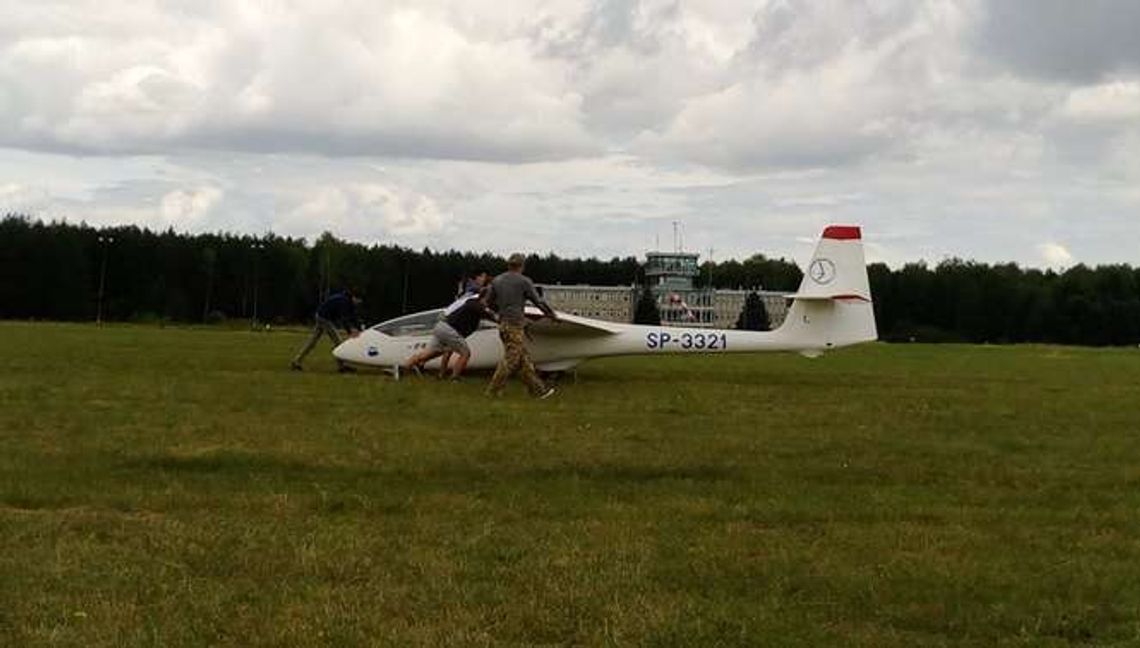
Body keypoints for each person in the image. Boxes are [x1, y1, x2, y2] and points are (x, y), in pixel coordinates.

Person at [485, 253, 558, 398]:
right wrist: (551, 315)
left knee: (523, 360)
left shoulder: (497, 280)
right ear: (522, 266)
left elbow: (488, 302)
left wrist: (499, 313)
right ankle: (492, 391)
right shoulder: (524, 281)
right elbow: (538, 301)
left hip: (503, 324)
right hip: (515, 325)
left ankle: (538, 391)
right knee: (511, 360)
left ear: (508, 264)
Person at [400, 287, 497, 380]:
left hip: (442, 327)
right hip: (449, 329)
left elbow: (486, 315)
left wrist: (494, 317)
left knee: (428, 355)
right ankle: (454, 377)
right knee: (465, 353)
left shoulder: (476, 307)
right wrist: (496, 317)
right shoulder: (473, 303)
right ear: (484, 297)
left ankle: (403, 369)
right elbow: (484, 311)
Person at [291, 289, 363, 372]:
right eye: (358, 300)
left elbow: (353, 317)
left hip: (321, 316)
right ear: (354, 297)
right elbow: (344, 319)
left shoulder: (349, 302)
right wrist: (350, 332)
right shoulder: (344, 301)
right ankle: (342, 366)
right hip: (324, 319)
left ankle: (296, 361)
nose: (358, 302)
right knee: (338, 342)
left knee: (312, 342)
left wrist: (360, 328)